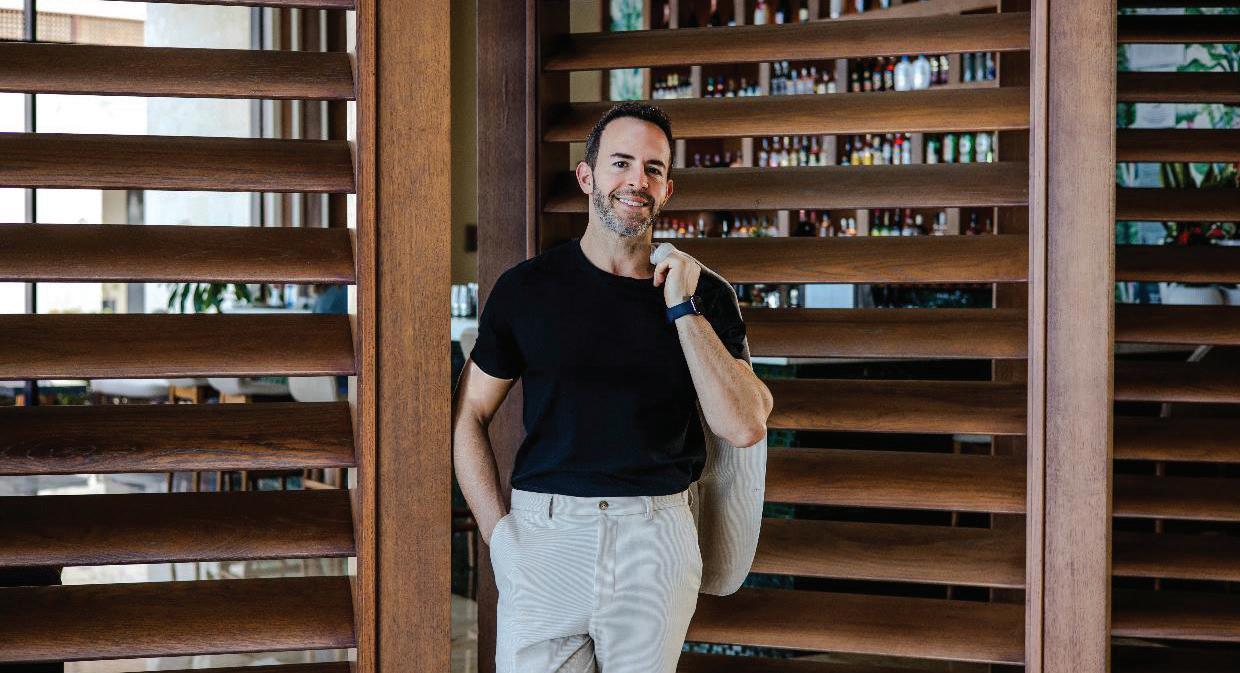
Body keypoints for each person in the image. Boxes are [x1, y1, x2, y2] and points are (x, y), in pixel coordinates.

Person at [452, 102, 773, 673]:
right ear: (587, 176)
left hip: (655, 538)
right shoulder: (527, 290)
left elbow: (744, 425)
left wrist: (683, 309)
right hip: (546, 536)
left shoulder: (705, 294)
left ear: (667, 189)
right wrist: (499, 537)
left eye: (653, 169)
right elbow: (470, 413)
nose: (636, 180)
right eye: (620, 163)